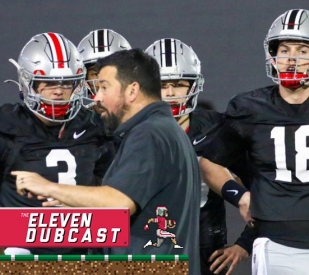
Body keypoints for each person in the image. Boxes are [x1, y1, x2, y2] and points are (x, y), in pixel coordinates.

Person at [200, 9, 309, 274]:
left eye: (303, 50)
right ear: (273, 55)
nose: (291, 59)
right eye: (284, 49)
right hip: (274, 244)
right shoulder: (250, 107)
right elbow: (208, 162)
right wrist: (240, 197)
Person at [13, 49, 201, 274]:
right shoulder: (166, 130)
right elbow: (133, 215)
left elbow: (119, 204)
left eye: (104, 87)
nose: (97, 97)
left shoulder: (149, 133)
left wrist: (48, 187)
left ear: (132, 91)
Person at [0, 32, 114, 255]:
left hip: (85, 251)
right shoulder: (8, 128)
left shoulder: (95, 127)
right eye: (48, 82)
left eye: (66, 83)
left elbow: (113, 191)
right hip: (22, 252)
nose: (59, 91)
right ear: (27, 82)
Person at [145, 38, 252, 275]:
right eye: (162, 85)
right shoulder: (129, 134)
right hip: (147, 250)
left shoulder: (217, 129)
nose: (171, 93)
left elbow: (263, 188)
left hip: (204, 250)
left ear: (193, 86)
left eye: (179, 84)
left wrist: (245, 244)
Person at [77, 29, 131, 108]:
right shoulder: (79, 120)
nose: (102, 80)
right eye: (95, 74)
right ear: (85, 77)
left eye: (110, 72)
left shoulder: (141, 117)